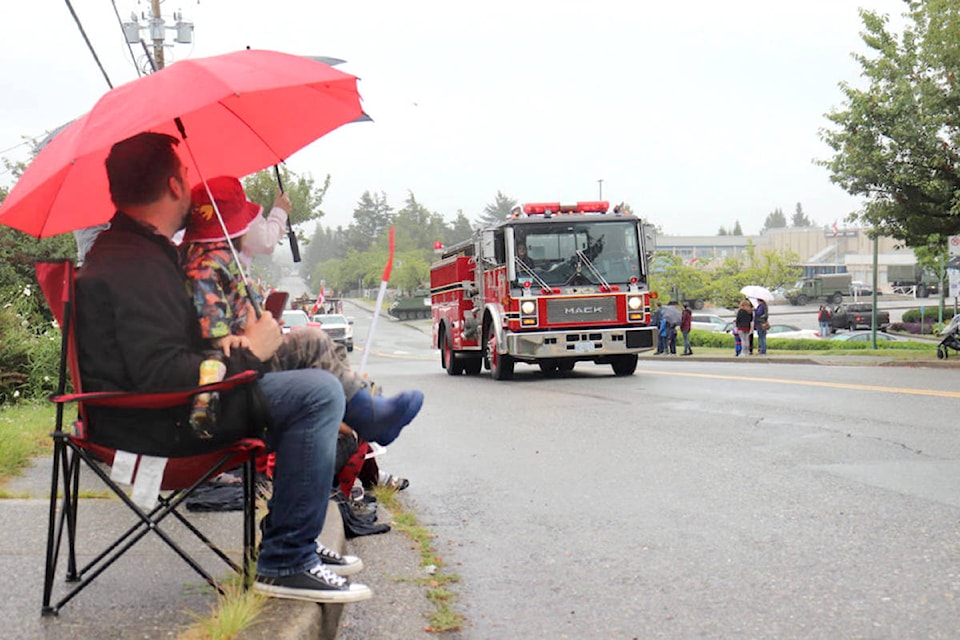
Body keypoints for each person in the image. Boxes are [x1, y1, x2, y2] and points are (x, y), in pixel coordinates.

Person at [74, 131, 371, 604]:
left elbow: (165, 349)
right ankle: (286, 558)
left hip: (148, 414)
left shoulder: (134, 253)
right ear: (174, 186)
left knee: (301, 370)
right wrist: (248, 350)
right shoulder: (136, 267)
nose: (192, 185)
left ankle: (292, 540)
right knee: (315, 393)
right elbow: (161, 372)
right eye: (187, 176)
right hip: (155, 427)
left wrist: (233, 339)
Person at [182, 176, 423, 447]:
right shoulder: (206, 262)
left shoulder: (217, 258)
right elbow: (208, 307)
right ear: (235, 227)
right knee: (312, 342)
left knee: (332, 349)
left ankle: (362, 409)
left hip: (244, 352)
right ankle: (366, 415)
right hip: (236, 360)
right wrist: (223, 336)